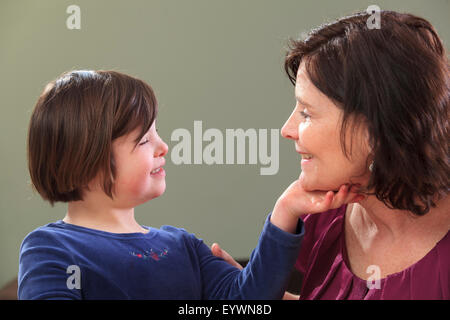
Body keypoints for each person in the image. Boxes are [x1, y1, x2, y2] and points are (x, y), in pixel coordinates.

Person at [19, 70, 364, 299]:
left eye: (157, 133)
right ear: (85, 157)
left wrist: (285, 210)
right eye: (143, 141)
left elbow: (247, 300)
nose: (162, 147)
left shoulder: (182, 246)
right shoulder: (49, 250)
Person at [212, 11, 450, 299]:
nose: (287, 130)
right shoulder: (324, 220)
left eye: (307, 113)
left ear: (375, 130)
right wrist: (253, 292)